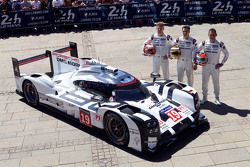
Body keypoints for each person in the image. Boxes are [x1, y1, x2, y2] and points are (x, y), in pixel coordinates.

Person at [196, 28, 229, 105]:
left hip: (215, 67)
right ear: (208, 35)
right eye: (210, 35)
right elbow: (196, 50)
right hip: (205, 66)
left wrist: (221, 63)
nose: (212, 36)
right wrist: (197, 60)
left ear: (216, 35)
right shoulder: (204, 42)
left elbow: (227, 54)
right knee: (204, 83)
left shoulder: (220, 44)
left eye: (213, 35)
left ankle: (217, 98)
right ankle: (204, 98)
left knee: (216, 83)